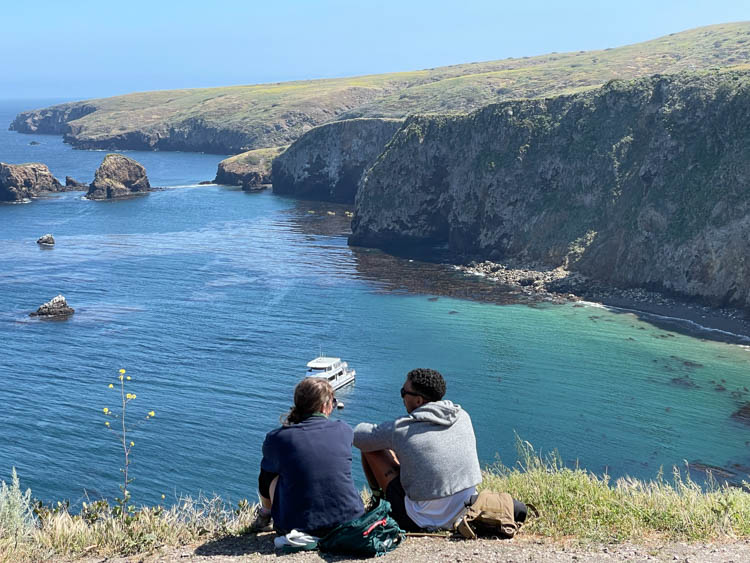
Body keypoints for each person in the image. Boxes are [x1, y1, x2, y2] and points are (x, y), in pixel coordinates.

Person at [354, 368, 526, 532]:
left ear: (419, 400)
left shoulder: (402, 428)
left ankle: (378, 502)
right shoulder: (462, 416)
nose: (402, 397)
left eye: (403, 393)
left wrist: (387, 440)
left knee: (371, 448)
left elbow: (359, 437)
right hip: (465, 510)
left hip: (418, 518)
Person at [250, 377, 364, 536]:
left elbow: (266, 478)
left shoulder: (277, 438)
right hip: (350, 520)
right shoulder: (344, 430)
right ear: (324, 406)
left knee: (269, 474)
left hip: (297, 527)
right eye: (333, 401)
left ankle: (265, 515)